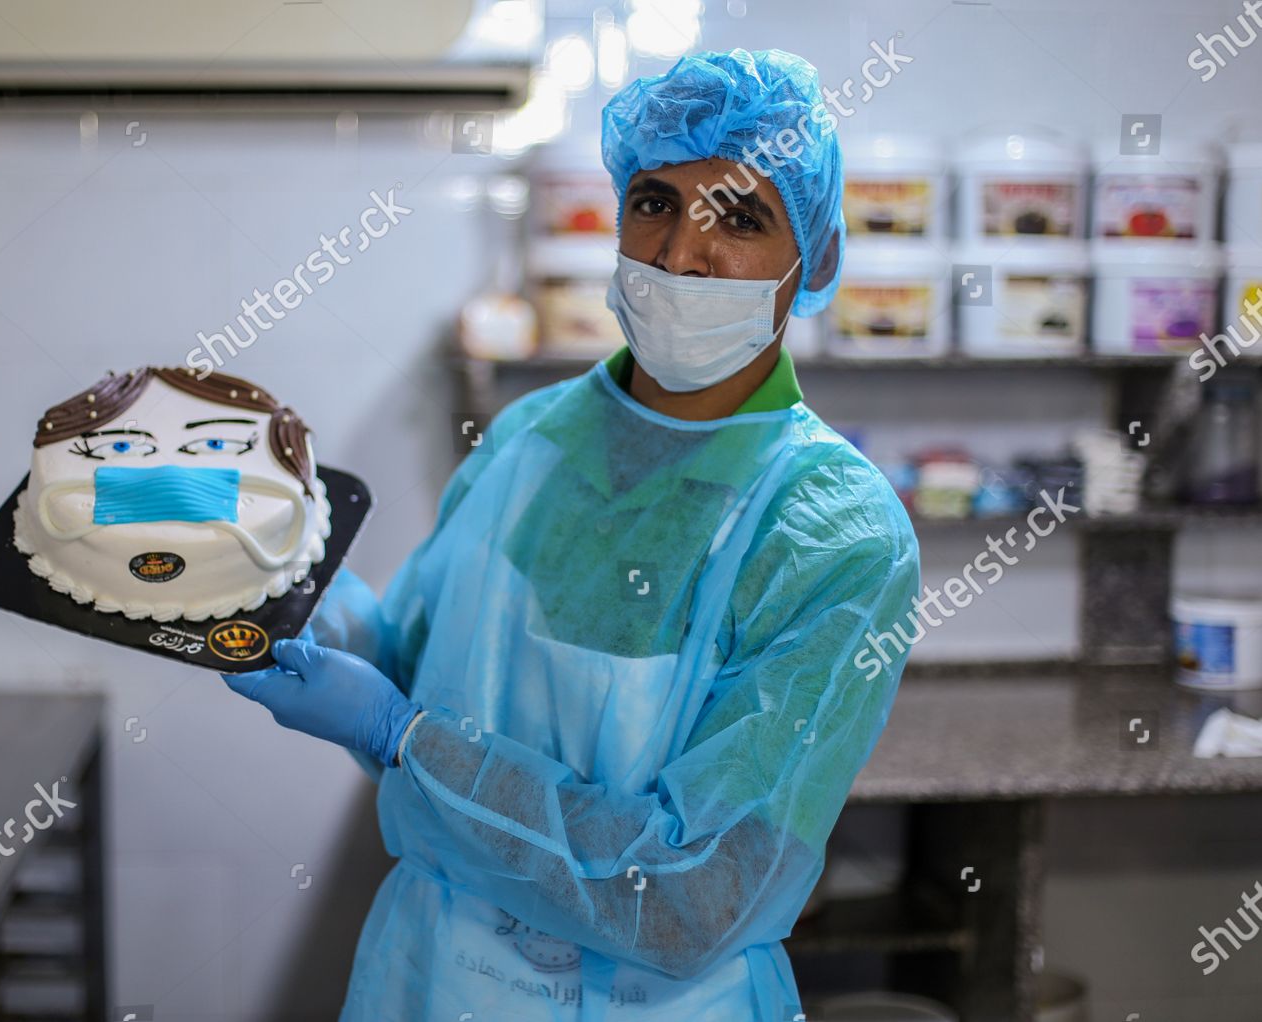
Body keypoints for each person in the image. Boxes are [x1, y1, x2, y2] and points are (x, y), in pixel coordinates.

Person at [224, 48, 920, 1021]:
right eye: (653, 202)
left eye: (741, 216)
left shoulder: (831, 535)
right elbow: (416, 680)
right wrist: (288, 594)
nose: (681, 253)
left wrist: (401, 737)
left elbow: (688, 895)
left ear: (820, 260)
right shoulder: (528, 444)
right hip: (432, 982)